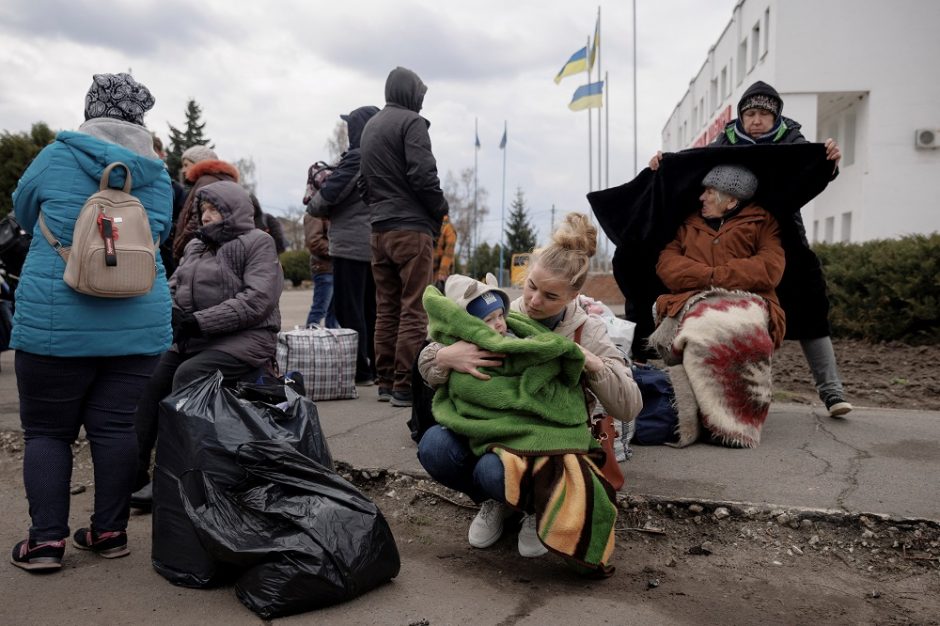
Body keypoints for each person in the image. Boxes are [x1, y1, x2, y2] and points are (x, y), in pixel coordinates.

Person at [9, 73, 173, 571]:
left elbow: (21, 209)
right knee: (117, 427)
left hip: (54, 319)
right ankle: (108, 532)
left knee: (47, 432)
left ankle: (46, 543)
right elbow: (159, 233)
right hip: (138, 320)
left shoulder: (55, 157)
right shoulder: (157, 174)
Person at [416, 213, 642, 569]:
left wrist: (593, 364)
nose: (534, 301)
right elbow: (431, 359)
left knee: (494, 469)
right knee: (434, 446)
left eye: (550, 295)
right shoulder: (502, 313)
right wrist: (445, 356)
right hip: (493, 427)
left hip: (547, 442)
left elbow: (630, 405)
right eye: (531, 285)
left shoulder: (590, 331)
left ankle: (536, 507)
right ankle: (499, 502)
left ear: (574, 295)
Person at [649, 80, 851, 417]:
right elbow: (695, 165)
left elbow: (811, 170)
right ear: (741, 117)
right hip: (728, 232)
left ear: (776, 118)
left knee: (811, 303)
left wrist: (829, 161)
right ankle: (697, 394)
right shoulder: (725, 140)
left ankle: (831, 391)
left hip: (781, 229)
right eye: (749, 113)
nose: (755, 120)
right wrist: (664, 163)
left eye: (763, 114)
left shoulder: (792, 141)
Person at [130, 180, 283, 508]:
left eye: (215, 209)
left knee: (188, 377)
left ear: (234, 210)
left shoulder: (257, 243)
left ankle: (173, 478)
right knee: (151, 380)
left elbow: (258, 300)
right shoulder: (194, 247)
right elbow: (173, 286)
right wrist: (169, 312)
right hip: (196, 337)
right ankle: (133, 474)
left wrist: (199, 321)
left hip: (247, 338)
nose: (208, 216)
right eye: (204, 210)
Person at [651, 165, 784, 447]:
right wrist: (711, 278)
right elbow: (667, 265)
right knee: (699, 327)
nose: (701, 198)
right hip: (694, 300)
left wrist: (717, 278)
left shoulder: (762, 222)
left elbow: (770, 268)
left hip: (749, 301)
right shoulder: (688, 225)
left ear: (731, 201)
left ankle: (732, 424)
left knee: (730, 327)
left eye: (709, 193)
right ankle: (699, 415)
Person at [359, 66, 449, 407]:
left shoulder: (371, 126)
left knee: (386, 309)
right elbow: (423, 175)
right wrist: (440, 207)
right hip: (411, 230)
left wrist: (380, 209)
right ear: (410, 93)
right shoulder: (412, 123)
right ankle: (404, 385)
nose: (422, 101)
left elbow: (362, 183)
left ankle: (385, 382)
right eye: (420, 95)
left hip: (379, 230)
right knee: (414, 309)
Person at [306, 106, 380, 384]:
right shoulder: (380, 157)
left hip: (351, 245)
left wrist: (313, 200)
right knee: (372, 310)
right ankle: (375, 367)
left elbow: (323, 201)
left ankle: (359, 369)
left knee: (350, 309)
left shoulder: (356, 158)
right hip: (374, 245)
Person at [170, 146, 239, 262]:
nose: (183, 170)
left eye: (186, 165)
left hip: (197, 253)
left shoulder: (207, 182)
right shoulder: (215, 180)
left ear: (199, 164)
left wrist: (178, 248)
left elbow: (197, 221)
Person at [151, 134, 188, 278]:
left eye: (154, 150)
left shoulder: (175, 188)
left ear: (162, 154)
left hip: (165, 251)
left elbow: (182, 220)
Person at [302, 214, 338, 328]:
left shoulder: (331, 211)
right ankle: (309, 342)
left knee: (334, 312)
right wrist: (338, 250)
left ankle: (333, 343)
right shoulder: (315, 213)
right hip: (324, 269)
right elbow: (314, 241)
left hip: (334, 268)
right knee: (319, 310)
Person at [432, 214, 457, 291]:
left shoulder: (448, 228)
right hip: (430, 270)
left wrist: (442, 272)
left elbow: (448, 252)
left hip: (440, 273)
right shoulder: (432, 224)